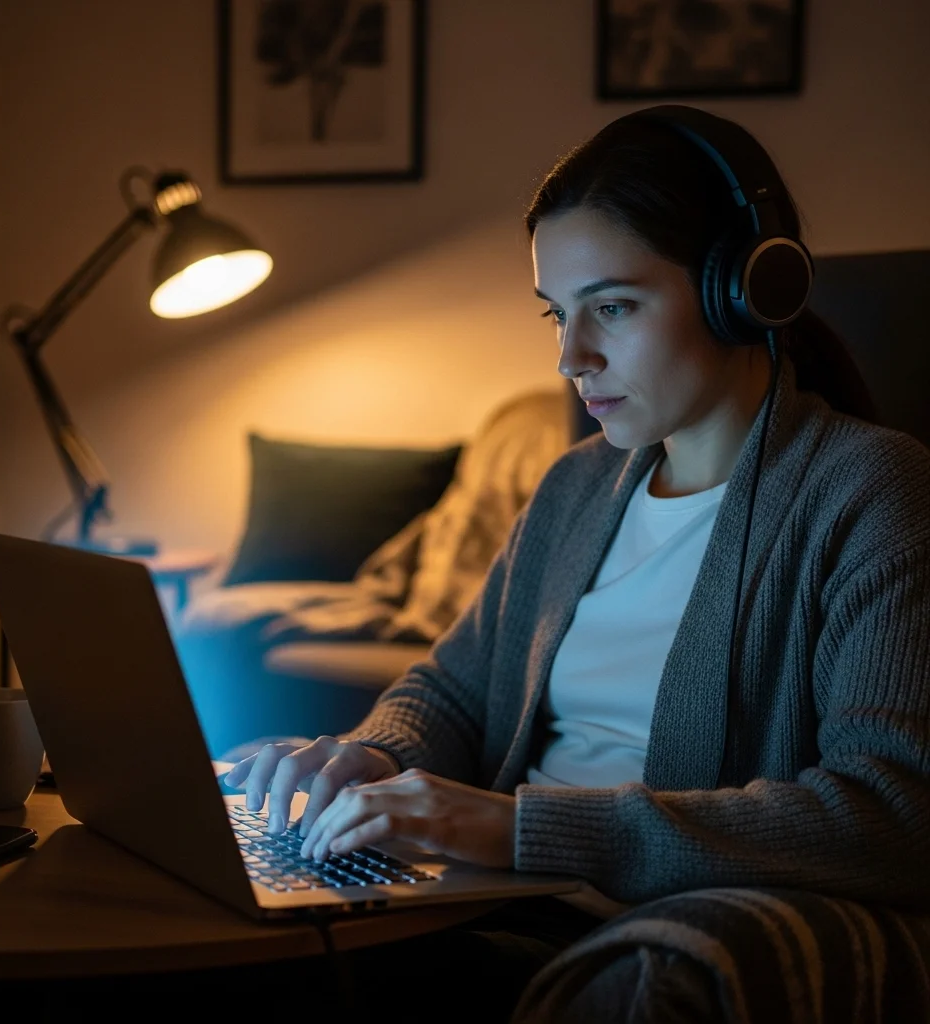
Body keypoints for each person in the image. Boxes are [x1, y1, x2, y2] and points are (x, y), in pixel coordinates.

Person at [221, 106, 930, 1021]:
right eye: (558, 314)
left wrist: (526, 830)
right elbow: (453, 690)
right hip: (487, 895)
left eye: (614, 307)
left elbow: (895, 814)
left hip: (607, 925)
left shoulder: (872, 492)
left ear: (741, 291)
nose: (571, 358)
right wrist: (368, 756)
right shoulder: (575, 491)